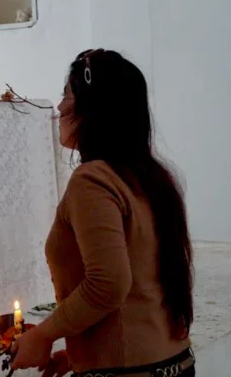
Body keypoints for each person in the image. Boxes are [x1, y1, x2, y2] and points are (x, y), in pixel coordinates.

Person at [10, 49, 195, 376]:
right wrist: (82, 351)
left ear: (91, 108)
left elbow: (108, 284)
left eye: (67, 96)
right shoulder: (149, 176)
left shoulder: (92, 180)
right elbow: (143, 278)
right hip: (172, 362)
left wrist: (42, 335)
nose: (60, 107)